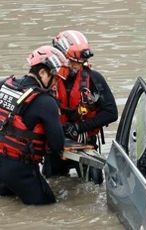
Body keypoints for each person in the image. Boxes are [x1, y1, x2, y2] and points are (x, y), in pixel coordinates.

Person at [42, 30, 118, 185]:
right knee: (52, 186)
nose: (78, 66)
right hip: (55, 146)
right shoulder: (46, 79)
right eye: (74, 61)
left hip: (86, 144)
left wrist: (79, 127)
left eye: (81, 61)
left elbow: (111, 113)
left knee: (94, 187)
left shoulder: (94, 79)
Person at [0, 45, 69, 205]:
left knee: (7, 202)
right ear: (43, 73)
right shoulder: (46, 101)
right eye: (55, 77)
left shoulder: (4, 85)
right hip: (18, 168)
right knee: (47, 206)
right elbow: (57, 145)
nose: (56, 83)